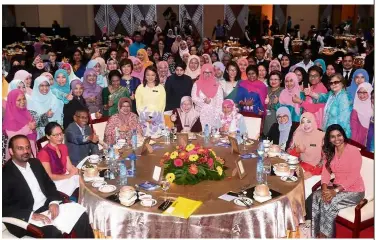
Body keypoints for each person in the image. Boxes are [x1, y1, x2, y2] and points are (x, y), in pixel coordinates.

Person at [3, 135, 94, 238]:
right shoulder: (5, 174)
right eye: (20, 148)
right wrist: (31, 215)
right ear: (11, 151)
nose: (25, 151)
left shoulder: (35, 163)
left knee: (81, 215)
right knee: (53, 233)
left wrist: (53, 202)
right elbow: (4, 207)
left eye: (27, 147)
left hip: (47, 207)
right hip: (27, 216)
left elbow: (49, 184)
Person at [311, 124, 364, 238]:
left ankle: (326, 236)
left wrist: (335, 191)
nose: (337, 139)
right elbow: (326, 171)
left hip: (354, 190)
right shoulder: (330, 150)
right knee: (316, 196)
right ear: (329, 139)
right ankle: (316, 234)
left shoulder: (353, 151)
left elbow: (353, 176)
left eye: (339, 135)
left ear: (343, 135)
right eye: (333, 137)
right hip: (335, 187)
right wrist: (324, 188)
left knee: (328, 202)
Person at [288, 112, 325, 198]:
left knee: (304, 189)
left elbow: (327, 160)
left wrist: (312, 172)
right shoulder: (299, 135)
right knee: (288, 182)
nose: (305, 125)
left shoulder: (322, 137)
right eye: (303, 122)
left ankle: (303, 210)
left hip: (317, 171)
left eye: (308, 121)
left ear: (313, 121)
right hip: (301, 168)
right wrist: (297, 150)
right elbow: (291, 157)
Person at [306, 73, 352, 138]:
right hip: (329, 130)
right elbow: (323, 97)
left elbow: (344, 120)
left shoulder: (343, 97)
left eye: (336, 82)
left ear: (342, 83)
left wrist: (338, 135)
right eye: (331, 83)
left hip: (338, 133)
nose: (333, 84)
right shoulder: (332, 94)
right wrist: (310, 93)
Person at [3, 89, 42, 160]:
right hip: (18, 153)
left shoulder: (26, 113)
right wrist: (28, 127)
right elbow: (13, 136)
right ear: (12, 102)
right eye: (19, 100)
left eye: (24, 99)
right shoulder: (10, 117)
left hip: (30, 148)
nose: (22, 102)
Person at [135, 66, 166, 136]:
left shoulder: (161, 88)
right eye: (148, 75)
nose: (150, 77)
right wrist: (146, 117)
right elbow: (138, 105)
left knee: (158, 141)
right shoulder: (140, 88)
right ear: (145, 76)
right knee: (144, 141)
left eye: (153, 75)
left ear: (156, 76)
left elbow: (162, 105)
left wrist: (153, 117)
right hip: (144, 119)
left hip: (157, 119)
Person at [191, 64, 223, 129]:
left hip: (214, 114)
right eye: (205, 72)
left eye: (210, 72)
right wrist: (204, 101)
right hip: (199, 114)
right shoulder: (196, 84)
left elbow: (220, 100)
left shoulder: (217, 84)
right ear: (202, 72)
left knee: (213, 134)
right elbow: (194, 98)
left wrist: (211, 101)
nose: (207, 74)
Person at [263, 71, 283, 136]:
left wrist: (275, 103)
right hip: (265, 120)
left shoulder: (283, 92)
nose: (273, 81)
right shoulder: (266, 89)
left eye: (275, 79)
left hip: (276, 120)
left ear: (281, 81)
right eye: (271, 79)